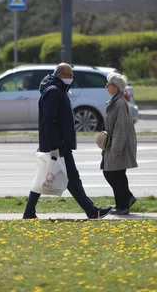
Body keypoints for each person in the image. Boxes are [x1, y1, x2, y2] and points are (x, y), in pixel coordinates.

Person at [23, 63, 113, 220]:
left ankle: (29, 212)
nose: (72, 79)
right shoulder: (54, 92)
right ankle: (92, 211)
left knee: (52, 177)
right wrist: (54, 146)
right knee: (71, 178)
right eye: (69, 75)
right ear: (60, 75)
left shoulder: (56, 90)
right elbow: (49, 121)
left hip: (57, 144)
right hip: (58, 145)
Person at [101, 72, 138, 216]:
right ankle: (124, 201)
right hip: (114, 143)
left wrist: (116, 149)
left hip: (120, 145)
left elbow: (120, 127)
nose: (106, 87)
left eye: (108, 84)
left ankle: (124, 204)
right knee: (114, 174)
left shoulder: (120, 103)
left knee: (114, 174)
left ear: (116, 87)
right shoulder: (115, 101)